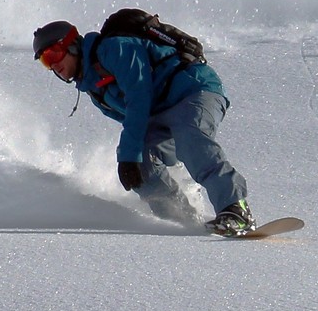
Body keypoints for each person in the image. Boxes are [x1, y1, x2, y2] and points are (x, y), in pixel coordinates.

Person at [32, 19, 254, 235]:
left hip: (192, 91)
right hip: (160, 115)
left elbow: (139, 96)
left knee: (189, 137)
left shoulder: (113, 49)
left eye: (53, 54)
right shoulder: (95, 90)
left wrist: (129, 154)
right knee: (141, 165)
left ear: (71, 45)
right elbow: (134, 122)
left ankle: (235, 209)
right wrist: (136, 158)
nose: (53, 66)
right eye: (45, 62)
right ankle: (181, 219)